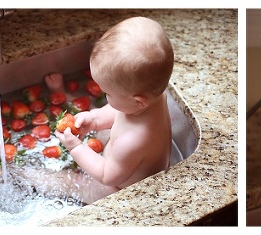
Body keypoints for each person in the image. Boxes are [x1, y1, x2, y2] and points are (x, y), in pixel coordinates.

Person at [26, 16, 174, 204]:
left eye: (108, 93)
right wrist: (94, 119)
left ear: (138, 101)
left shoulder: (133, 141)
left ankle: (26, 177)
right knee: (100, 121)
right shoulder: (152, 98)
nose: (105, 97)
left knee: (74, 182)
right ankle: (64, 95)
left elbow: (107, 175)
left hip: (119, 190)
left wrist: (76, 147)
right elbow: (120, 112)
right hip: (122, 158)